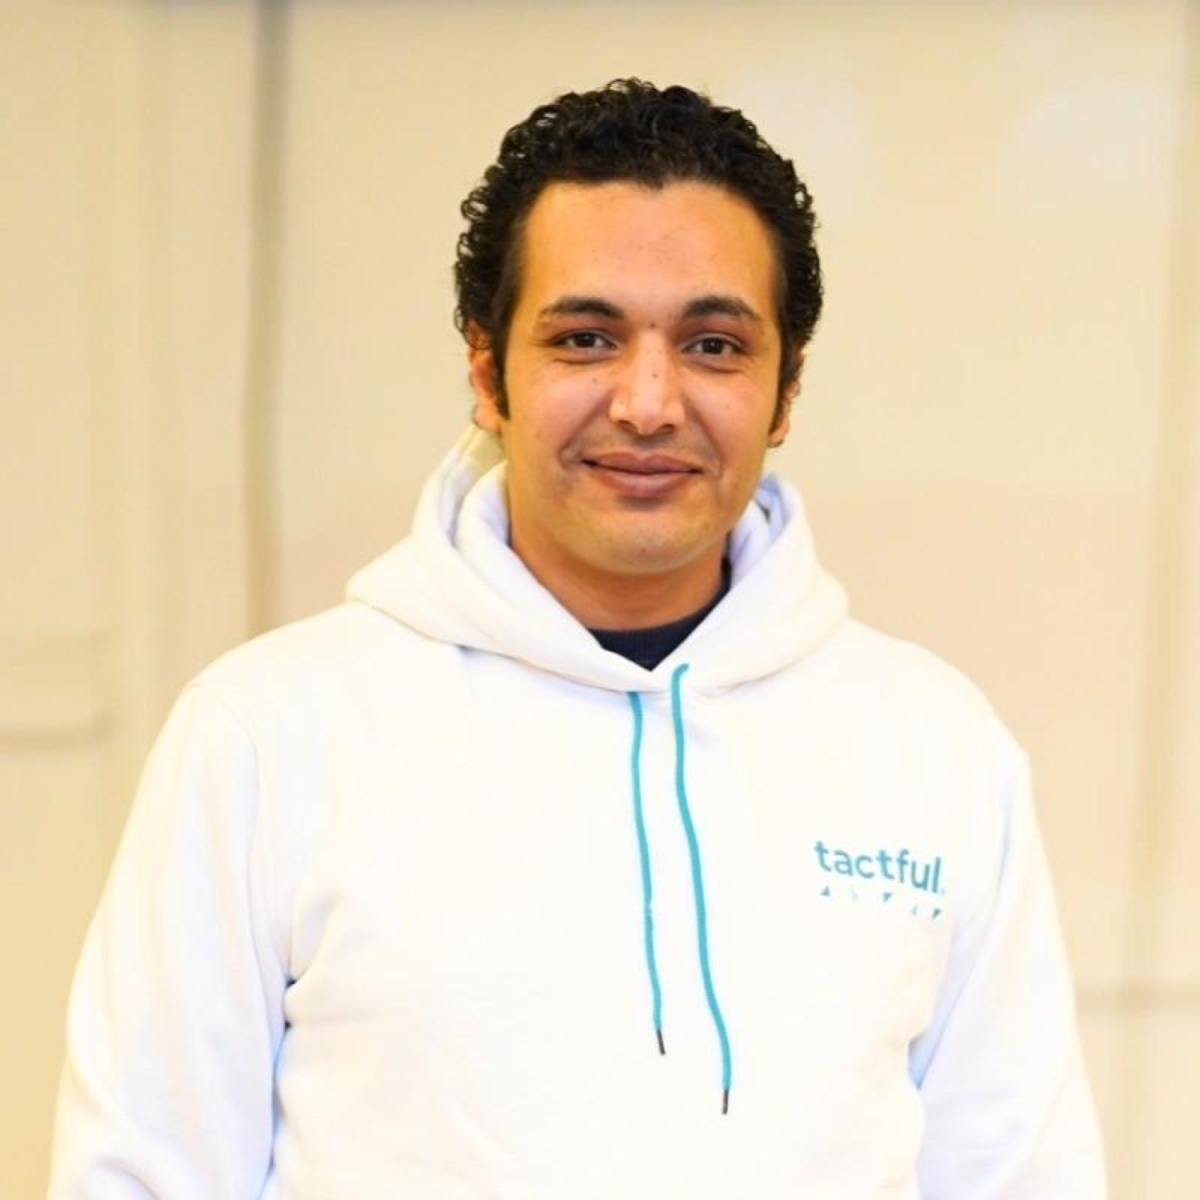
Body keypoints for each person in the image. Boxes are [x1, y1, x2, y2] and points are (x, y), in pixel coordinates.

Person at [49, 79, 1105, 1198]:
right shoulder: (267, 734)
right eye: (586, 338)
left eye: (712, 344)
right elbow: (140, 1174)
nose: (648, 404)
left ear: (785, 389)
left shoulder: (934, 745)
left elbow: (1020, 1176)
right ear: (487, 371)